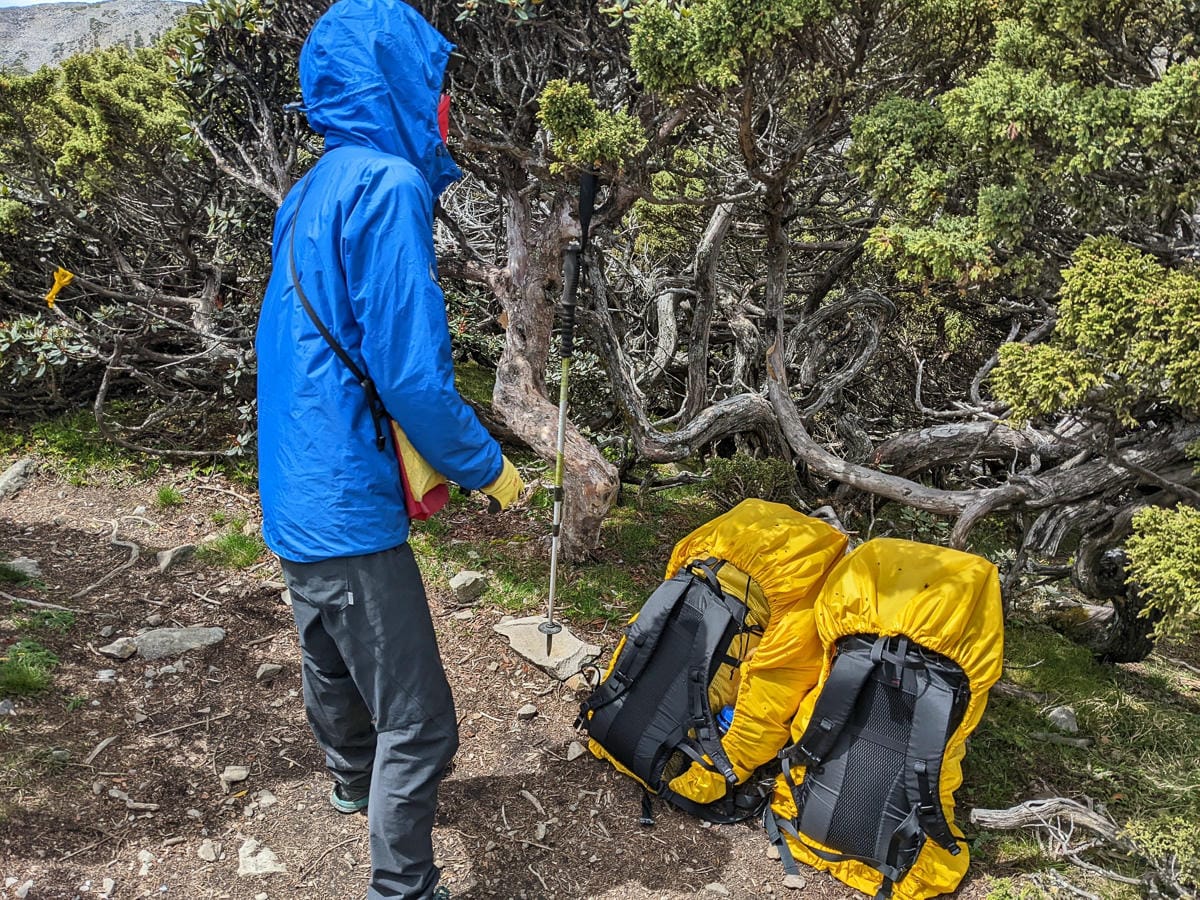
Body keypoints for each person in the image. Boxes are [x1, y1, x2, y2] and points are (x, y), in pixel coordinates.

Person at [255, 1, 524, 897]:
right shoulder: (387, 187)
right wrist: (489, 468)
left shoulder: (312, 187)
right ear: (399, 84)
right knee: (424, 725)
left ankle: (347, 785)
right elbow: (411, 375)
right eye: (434, 83)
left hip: (291, 485)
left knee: (328, 652)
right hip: (344, 498)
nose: (443, 104)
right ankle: (401, 886)